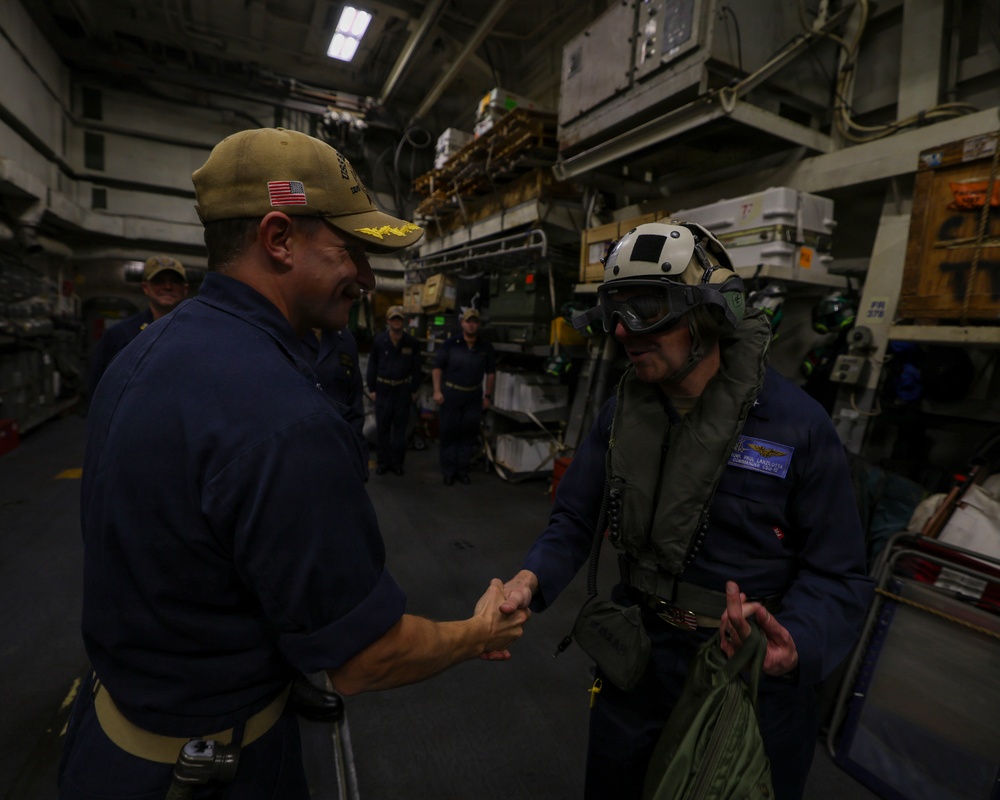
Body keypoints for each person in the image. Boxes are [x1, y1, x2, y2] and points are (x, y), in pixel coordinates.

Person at [60, 127, 528, 800]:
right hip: (206, 777)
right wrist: (477, 631)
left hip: (111, 742)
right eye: (351, 252)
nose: (368, 279)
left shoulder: (143, 354)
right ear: (278, 239)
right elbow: (369, 659)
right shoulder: (284, 417)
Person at [498, 221, 873, 800]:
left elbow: (839, 574)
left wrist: (796, 641)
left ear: (707, 316)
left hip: (746, 675)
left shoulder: (798, 427)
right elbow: (575, 519)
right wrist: (530, 579)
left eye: (648, 308)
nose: (625, 331)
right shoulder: (623, 413)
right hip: (638, 661)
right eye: (615, 310)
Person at [87, 255, 188, 395]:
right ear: (145, 287)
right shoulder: (121, 334)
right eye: (159, 281)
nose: (168, 287)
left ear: (185, 289)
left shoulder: (196, 334)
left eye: (175, 282)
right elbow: (98, 384)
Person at [431, 307, 496, 485]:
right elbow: (437, 368)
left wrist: (487, 396)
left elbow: (491, 373)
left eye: (474, 321)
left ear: (478, 324)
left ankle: (462, 470)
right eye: (468, 321)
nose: (471, 325)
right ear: (462, 323)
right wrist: (437, 391)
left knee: (468, 434)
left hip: (473, 396)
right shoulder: (451, 344)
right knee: (449, 433)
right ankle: (449, 471)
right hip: (452, 394)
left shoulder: (485, 346)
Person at [302, 325, 368, 472]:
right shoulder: (287, 333)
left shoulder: (344, 338)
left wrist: (359, 458)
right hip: (300, 452)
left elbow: (355, 403)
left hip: (339, 450)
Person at [366, 305, 422, 476]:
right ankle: (383, 462)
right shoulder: (379, 341)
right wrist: (372, 388)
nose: (396, 322)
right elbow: (372, 366)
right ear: (388, 321)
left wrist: (414, 390)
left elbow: (417, 368)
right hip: (383, 390)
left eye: (399, 319)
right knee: (382, 429)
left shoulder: (412, 343)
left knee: (400, 430)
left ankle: (397, 463)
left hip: (402, 390)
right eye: (393, 319)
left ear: (403, 321)